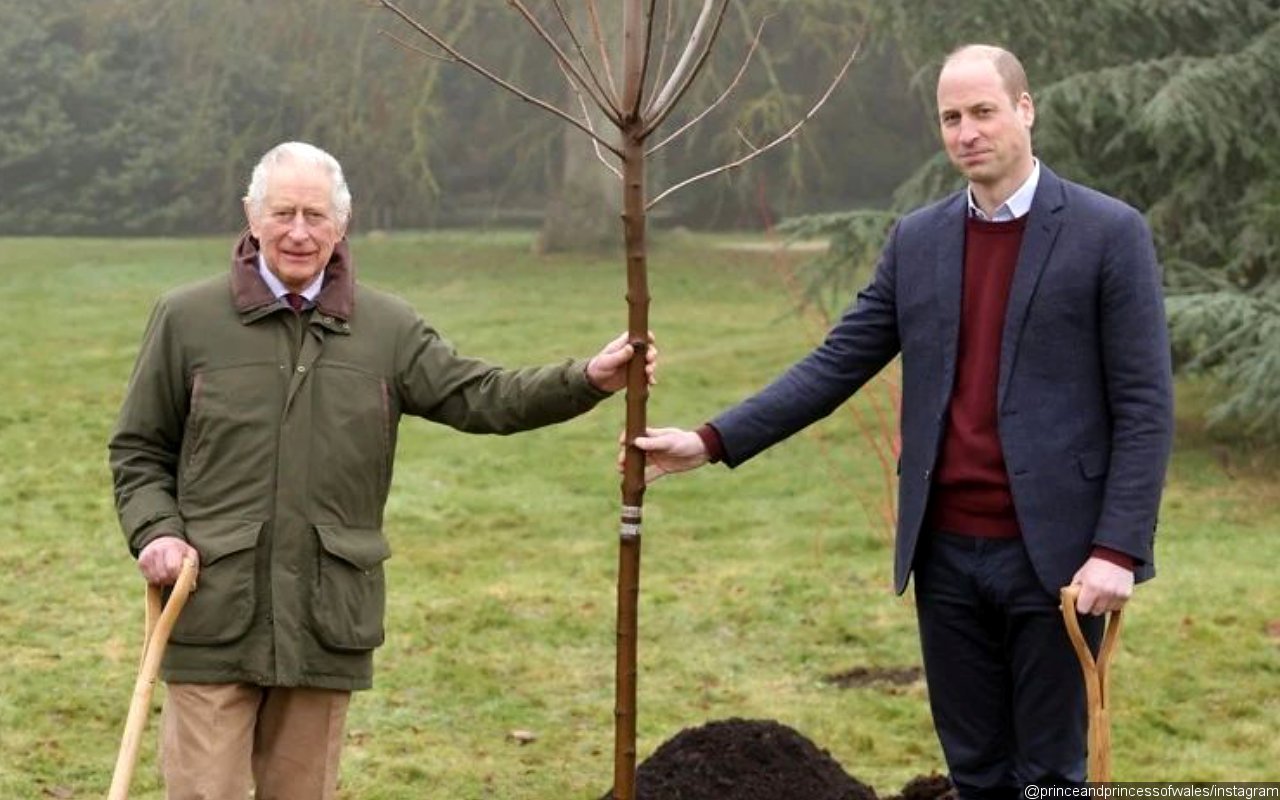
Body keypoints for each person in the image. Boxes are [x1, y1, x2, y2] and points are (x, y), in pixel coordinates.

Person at [631, 44, 1173, 797]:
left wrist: (1116, 549)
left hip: (1058, 560)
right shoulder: (919, 241)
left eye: (983, 111)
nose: (966, 132)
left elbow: (1146, 406)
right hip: (944, 555)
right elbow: (835, 364)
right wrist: (712, 440)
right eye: (951, 118)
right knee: (975, 771)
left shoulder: (1109, 233)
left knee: (1050, 774)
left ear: (1025, 110)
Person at [109, 140, 655, 799]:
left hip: (324, 617)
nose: (299, 232)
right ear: (252, 216)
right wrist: (156, 533)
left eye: (316, 215)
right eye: (283, 213)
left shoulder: (387, 329)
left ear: (343, 223)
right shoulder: (187, 320)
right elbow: (139, 449)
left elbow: (480, 396)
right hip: (213, 609)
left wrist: (586, 380)